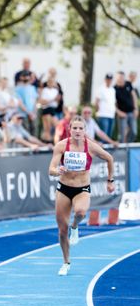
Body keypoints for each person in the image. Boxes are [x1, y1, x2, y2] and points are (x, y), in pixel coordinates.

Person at [48, 114, 115, 276]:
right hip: (64, 188)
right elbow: (51, 169)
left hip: (82, 189)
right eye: (75, 128)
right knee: (62, 230)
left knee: (80, 212)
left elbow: (109, 158)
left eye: (81, 128)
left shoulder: (90, 147)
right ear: (69, 130)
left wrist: (110, 180)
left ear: (85, 131)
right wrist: (58, 171)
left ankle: (75, 226)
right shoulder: (61, 146)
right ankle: (66, 262)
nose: (77, 131)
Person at [115, 71, 138, 142]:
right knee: (122, 134)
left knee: (134, 132)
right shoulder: (114, 89)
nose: (121, 79)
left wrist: (136, 108)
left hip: (131, 112)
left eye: (122, 77)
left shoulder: (128, 84)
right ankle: (122, 148)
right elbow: (113, 104)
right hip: (122, 114)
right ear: (116, 78)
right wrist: (119, 112)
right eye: (119, 77)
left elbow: (134, 96)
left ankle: (128, 145)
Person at [95, 74, 116, 138]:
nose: (109, 81)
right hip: (103, 115)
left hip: (111, 115)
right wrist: (98, 111)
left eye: (110, 79)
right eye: (107, 79)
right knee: (104, 134)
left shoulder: (113, 89)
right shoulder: (101, 89)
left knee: (109, 134)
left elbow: (114, 102)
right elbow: (97, 101)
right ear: (105, 79)